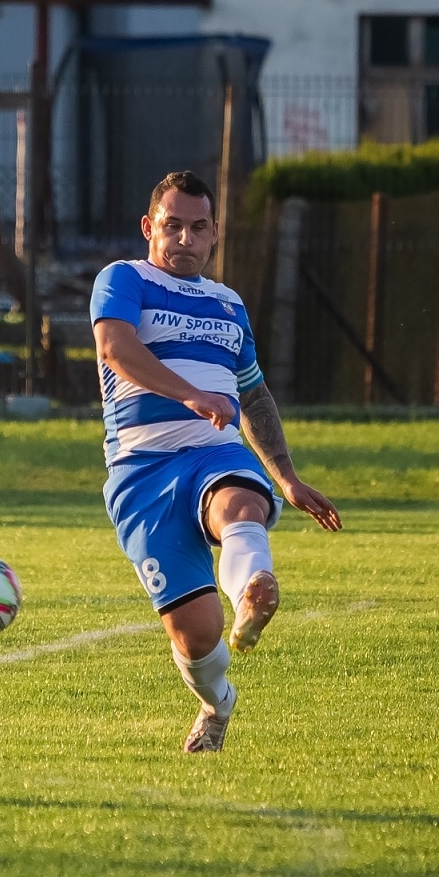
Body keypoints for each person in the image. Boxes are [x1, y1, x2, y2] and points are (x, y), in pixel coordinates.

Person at [91, 170, 342, 753]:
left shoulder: (229, 304)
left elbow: (252, 394)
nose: (185, 238)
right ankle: (217, 702)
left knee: (242, 504)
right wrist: (191, 394)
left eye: (198, 227)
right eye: (172, 225)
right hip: (142, 471)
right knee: (197, 636)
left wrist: (286, 477)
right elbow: (114, 348)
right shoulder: (124, 278)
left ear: (215, 233)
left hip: (215, 452)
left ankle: (254, 586)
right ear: (149, 227)